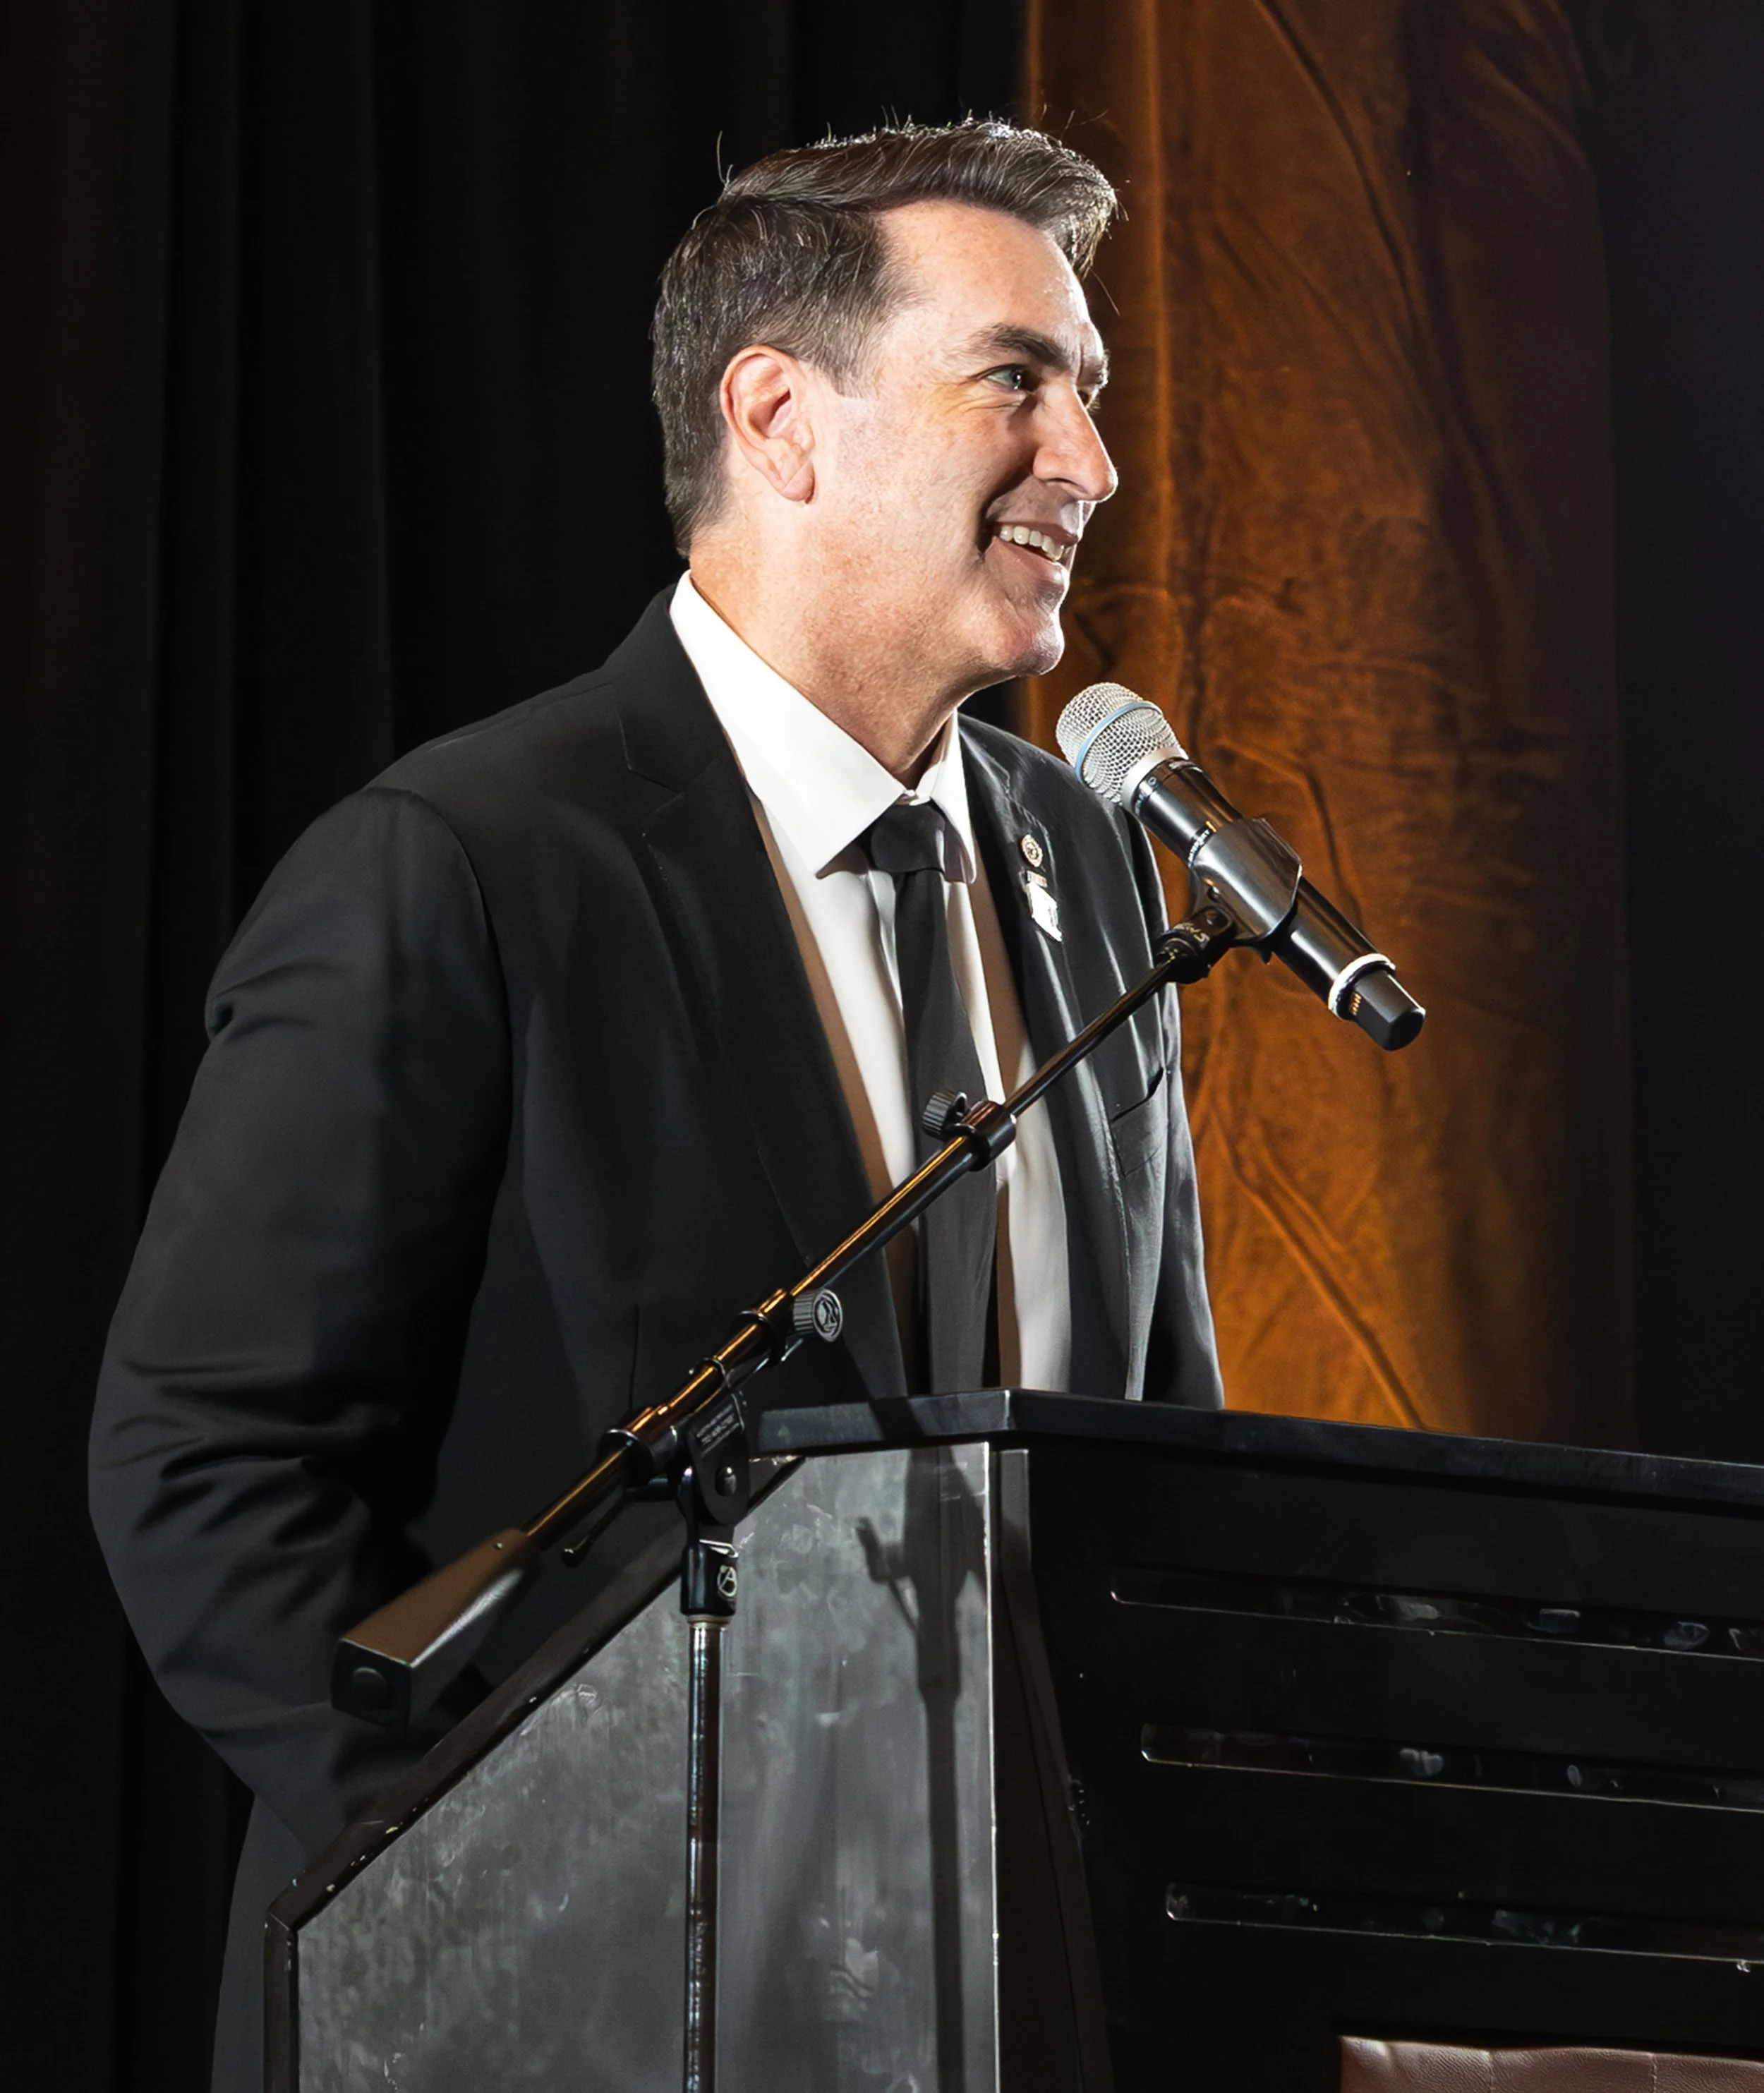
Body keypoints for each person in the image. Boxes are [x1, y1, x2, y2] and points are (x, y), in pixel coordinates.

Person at [89, 118, 1222, 2092]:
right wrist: (548, 1868)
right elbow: (207, 1472)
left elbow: (1160, 1470)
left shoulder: (1094, 869)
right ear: (780, 415)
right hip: (538, 2020)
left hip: (1010, 2017)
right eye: (1016, 382)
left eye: (1093, 396)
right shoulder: (460, 862)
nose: (1090, 464)